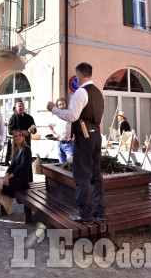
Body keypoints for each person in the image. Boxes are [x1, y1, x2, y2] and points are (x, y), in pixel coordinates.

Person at [47, 62, 105, 225]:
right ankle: (99, 211)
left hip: (84, 137)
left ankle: (85, 214)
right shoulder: (99, 93)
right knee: (96, 175)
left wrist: (53, 109)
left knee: (82, 175)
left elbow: (72, 116)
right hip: (95, 136)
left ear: (79, 75)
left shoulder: (81, 92)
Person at [0, 129, 32, 216]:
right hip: (14, 177)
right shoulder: (17, 150)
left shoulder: (26, 149)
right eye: (15, 136)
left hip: (20, 181)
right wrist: (6, 175)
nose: (18, 138)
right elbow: (11, 166)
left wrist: (9, 177)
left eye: (20, 135)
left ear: (24, 137)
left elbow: (22, 167)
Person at [5, 101, 36, 167]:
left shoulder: (29, 117)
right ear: (16, 108)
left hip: (27, 144)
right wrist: (21, 132)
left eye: (22, 106)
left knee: (27, 164)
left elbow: (34, 129)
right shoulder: (13, 118)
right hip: (16, 145)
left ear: (24, 107)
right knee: (17, 164)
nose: (21, 107)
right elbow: (10, 131)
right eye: (19, 106)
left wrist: (32, 130)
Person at [47, 97, 73, 163]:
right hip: (59, 143)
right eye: (59, 105)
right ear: (57, 106)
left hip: (69, 143)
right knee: (62, 164)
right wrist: (54, 134)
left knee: (72, 162)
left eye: (63, 104)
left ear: (66, 104)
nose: (62, 106)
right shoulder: (55, 116)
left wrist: (73, 136)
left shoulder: (70, 114)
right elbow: (49, 125)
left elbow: (76, 126)